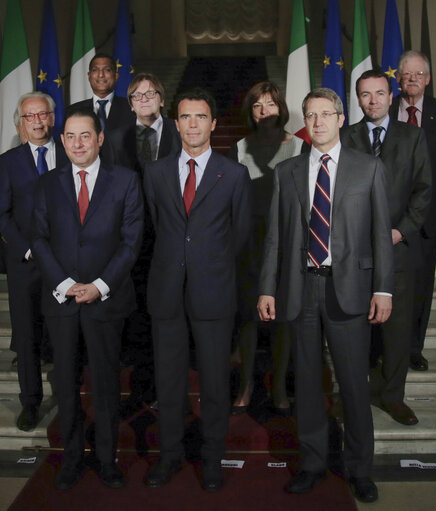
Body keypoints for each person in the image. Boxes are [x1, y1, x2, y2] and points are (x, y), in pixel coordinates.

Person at [257, 88, 393, 503]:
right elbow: (276, 239)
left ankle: (360, 469)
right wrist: (267, 287)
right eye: (310, 115)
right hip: (301, 288)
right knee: (309, 386)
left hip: (350, 289)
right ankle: (313, 463)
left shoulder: (367, 169)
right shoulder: (287, 173)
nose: (317, 122)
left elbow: (381, 237)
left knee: (353, 384)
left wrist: (383, 288)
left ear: (340, 118)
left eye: (325, 114)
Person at [143, 87, 251, 492]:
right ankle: (169, 456)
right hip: (166, 291)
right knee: (169, 380)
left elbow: (239, 236)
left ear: (214, 124)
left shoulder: (234, 174)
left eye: (200, 117)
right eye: (186, 117)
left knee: (214, 381)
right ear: (176, 123)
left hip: (214, 292)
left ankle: (211, 459)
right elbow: (156, 228)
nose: (192, 124)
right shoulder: (155, 173)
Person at [30, 109, 144, 490]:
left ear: (99, 140)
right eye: (70, 137)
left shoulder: (126, 181)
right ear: (62, 142)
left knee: (106, 385)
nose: (78, 143)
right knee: (65, 383)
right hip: (61, 303)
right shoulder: (47, 184)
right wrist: (64, 284)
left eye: (85, 136)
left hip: (105, 302)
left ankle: (108, 458)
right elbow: (39, 239)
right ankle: (72, 456)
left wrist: (98, 285)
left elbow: (131, 243)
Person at [341, 69, 432, 427]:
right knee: (357, 328)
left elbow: (424, 192)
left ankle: (393, 396)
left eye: (380, 93)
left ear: (391, 96)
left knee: (395, 329)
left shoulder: (413, 137)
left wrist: (400, 231)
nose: (373, 100)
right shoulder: (345, 137)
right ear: (358, 98)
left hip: (398, 247)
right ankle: (356, 395)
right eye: (366, 94)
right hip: (355, 251)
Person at [227, 81, 302, 416]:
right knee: (249, 318)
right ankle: (246, 384)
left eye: (270, 105)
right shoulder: (240, 147)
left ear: (281, 109)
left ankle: (281, 388)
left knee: (284, 318)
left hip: (286, 242)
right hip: (249, 244)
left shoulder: (299, 147)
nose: (264, 111)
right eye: (257, 106)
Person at [0, 92, 68, 432]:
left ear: (52, 118)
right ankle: (30, 403)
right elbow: (2, 216)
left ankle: (69, 401)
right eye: (29, 117)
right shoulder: (9, 161)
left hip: (66, 264)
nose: (37, 121)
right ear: (21, 123)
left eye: (42, 115)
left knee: (65, 334)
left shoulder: (71, 153)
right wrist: (28, 249)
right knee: (26, 337)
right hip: (25, 264)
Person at [108, 72, 182, 404]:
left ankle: (173, 376)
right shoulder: (113, 138)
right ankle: (144, 380)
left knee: (172, 310)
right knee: (138, 312)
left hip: (173, 235)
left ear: (162, 100)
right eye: (137, 96)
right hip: (131, 238)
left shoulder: (182, 133)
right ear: (130, 104)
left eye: (151, 93)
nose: (144, 99)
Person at [391, 50, 436, 372]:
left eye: (419, 74)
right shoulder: (385, 110)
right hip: (391, 220)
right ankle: (385, 348)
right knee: (388, 284)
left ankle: (414, 348)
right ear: (398, 78)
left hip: (428, 218)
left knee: (422, 287)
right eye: (407, 74)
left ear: (428, 79)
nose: (413, 79)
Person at [67, 52, 134, 164]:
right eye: (95, 70)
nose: (101, 75)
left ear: (116, 76)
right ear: (89, 76)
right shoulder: (73, 111)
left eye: (107, 70)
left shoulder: (131, 108)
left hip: (122, 175)